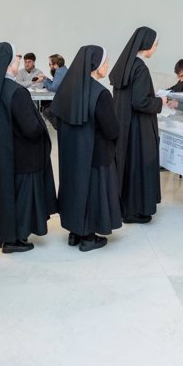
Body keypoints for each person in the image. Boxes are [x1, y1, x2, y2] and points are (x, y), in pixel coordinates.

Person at [0, 42, 57, 253]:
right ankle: (15, 239)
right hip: (24, 156)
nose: (19, 60)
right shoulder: (16, 92)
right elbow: (31, 128)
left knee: (7, 195)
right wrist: (42, 122)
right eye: (17, 57)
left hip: (3, 154)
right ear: (8, 63)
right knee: (22, 198)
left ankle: (5, 236)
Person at [51, 45, 121, 252]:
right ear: (96, 65)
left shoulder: (67, 88)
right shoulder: (101, 93)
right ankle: (89, 236)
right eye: (106, 61)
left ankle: (74, 233)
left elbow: (55, 117)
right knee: (92, 191)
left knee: (74, 189)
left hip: (70, 153)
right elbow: (111, 129)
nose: (108, 65)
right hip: (95, 153)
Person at [109, 26, 165, 224]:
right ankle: (136, 210)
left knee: (127, 164)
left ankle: (125, 206)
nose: (156, 48)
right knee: (140, 165)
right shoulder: (140, 67)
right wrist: (161, 102)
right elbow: (141, 102)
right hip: (138, 127)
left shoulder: (125, 64)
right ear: (147, 44)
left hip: (124, 123)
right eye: (155, 45)